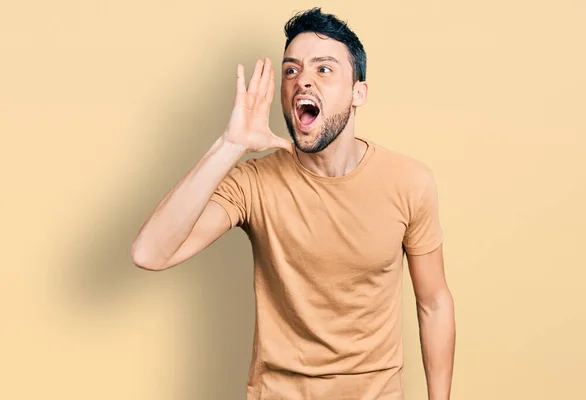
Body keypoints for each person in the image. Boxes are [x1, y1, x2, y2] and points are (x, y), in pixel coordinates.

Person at [131, 7, 455, 400]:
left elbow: (434, 303)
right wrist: (228, 146)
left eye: (323, 69)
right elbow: (150, 253)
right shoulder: (253, 183)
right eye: (291, 70)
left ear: (358, 93)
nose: (302, 81)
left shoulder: (409, 181)